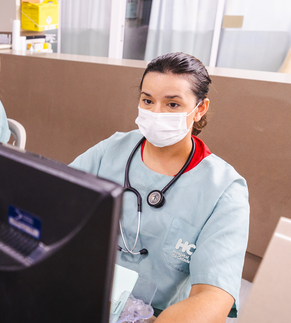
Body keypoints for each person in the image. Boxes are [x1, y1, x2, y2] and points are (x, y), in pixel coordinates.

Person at [70, 53, 249, 322]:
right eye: (147, 100)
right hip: (85, 296)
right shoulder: (113, 150)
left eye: (173, 104)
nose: (156, 113)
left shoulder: (224, 189)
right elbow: (55, 200)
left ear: (199, 108)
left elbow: (214, 297)